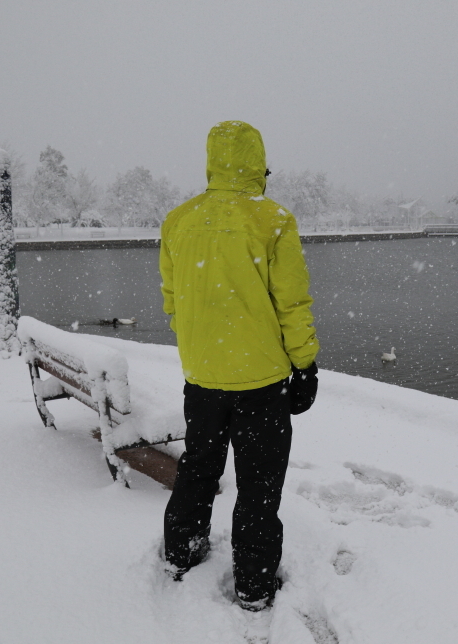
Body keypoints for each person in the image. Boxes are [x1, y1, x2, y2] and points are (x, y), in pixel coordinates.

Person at [159, 120, 320, 611]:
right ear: (257, 165)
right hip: (261, 383)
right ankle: (253, 582)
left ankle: (181, 552)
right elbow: (291, 303)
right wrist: (305, 365)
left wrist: (201, 349)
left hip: (203, 379)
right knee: (259, 483)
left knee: (199, 467)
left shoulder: (179, 221)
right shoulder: (272, 220)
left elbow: (173, 299)